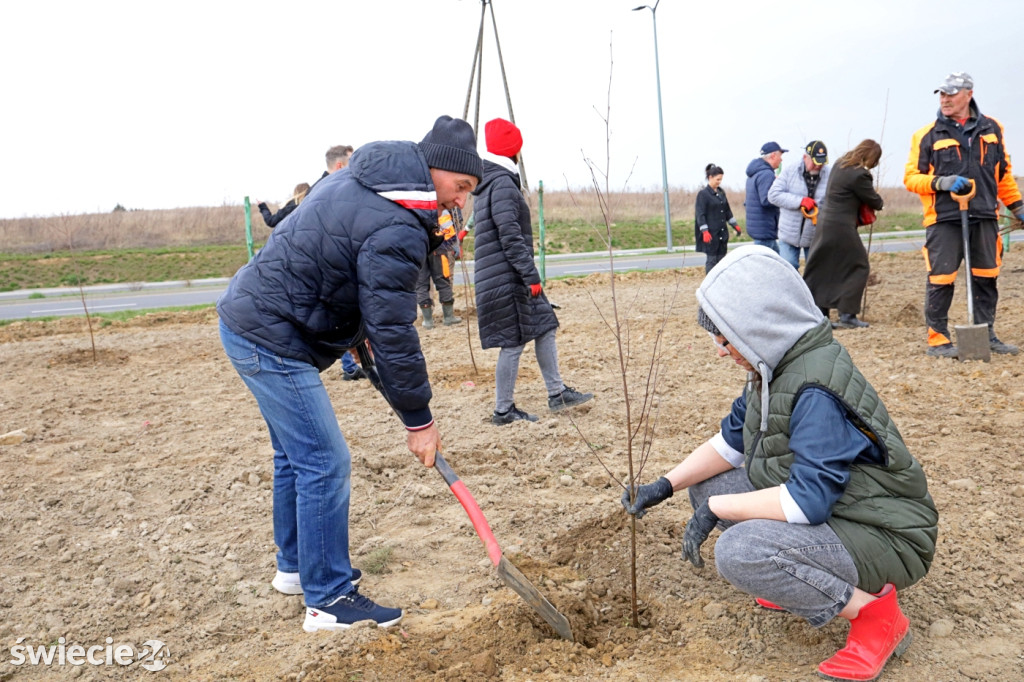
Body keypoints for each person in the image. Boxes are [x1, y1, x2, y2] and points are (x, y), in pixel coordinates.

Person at [621, 245, 937, 682]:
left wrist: (719, 512)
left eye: (724, 338)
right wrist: (662, 485)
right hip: (846, 511)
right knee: (709, 488)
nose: (719, 351)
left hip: (889, 535)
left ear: (756, 327)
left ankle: (875, 616)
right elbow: (730, 444)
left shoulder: (814, 387)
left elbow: (808, 503)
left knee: (739, 551)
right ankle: (800, 576)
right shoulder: (772, 369)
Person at [217, 115, 483, 631]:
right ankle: (329, 599)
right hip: (271, 337)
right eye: (460, 186)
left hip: (251, 318)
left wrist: (354, 335)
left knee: (294, 456)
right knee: (323, 460)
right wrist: (419, 419)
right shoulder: (399, 224)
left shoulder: (365, 179)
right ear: (435, 169)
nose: (461, 200)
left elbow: (340, 267)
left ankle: (297, 569)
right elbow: (393, 327)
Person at [473, 117, 593, 424]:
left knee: (544, 323)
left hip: (507, 275)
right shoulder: (500, 183)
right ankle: (503, 411)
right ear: (513, 152)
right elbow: (510, 236)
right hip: (509, 277)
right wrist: (531, 276)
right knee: (513, 341)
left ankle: (557, 393)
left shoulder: (492, 180)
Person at [904, 71, 1023, 358]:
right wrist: (940, 183)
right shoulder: (927, 135)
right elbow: (911, 178)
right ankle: (938, 339)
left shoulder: (993, 129)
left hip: (983, 214)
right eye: (941, 94)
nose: (945, 99)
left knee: (986, 275)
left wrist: (1017, 206)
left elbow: (1002, 174)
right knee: (941, 277)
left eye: (951, 93)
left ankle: (986, 334)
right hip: (944, 218)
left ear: (968, 94)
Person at [803, 140, 885, 329]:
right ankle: (847, 315)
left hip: (824, 223)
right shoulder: (860, 174)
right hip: (841, 226)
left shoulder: (840, 163)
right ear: (871, 157)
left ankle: (820, 315)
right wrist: (880, 201)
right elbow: (874, 201)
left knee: (823, 267)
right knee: (859, 265)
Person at [769, 141, 831, 270]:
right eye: (815, 162)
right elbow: (773, 195)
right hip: (788, 234)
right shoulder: (790, 171)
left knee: (816, 272)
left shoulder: (830, 175)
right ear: (805, 158)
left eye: (822, 162)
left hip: (814, 235)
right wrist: (800, 201)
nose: (819, 166)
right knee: (789, 270)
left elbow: (834, 201)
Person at [416, 209, 462, 328]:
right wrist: (453, 244)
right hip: (438, 248)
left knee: (421, 283)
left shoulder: (413, 205)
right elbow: (448, 229)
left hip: (419, 249)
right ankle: (448, 317)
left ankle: (428, 321)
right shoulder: (438, 206)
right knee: (443, 280)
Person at [694, 163, 741, 273]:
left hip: (722, 233)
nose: (719, 182)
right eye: (717, 179)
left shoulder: (721, 193)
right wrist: (705, 231)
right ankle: (710, 285)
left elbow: (727, 211)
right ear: (710, 177)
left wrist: (735, 225)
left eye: (721, 180)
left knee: (722, 261)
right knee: (712, 260)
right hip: (711, 235)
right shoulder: (703, 194)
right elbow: (700, 214)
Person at [744, 141, 787, 252]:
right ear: (773, 156)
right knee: (771, 266)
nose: (781, 160)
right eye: (780, 156)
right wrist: (781, 193)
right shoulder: (766, 174)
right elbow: (767, 200)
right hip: (765, 229)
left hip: (759, 229)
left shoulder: (754, 173)